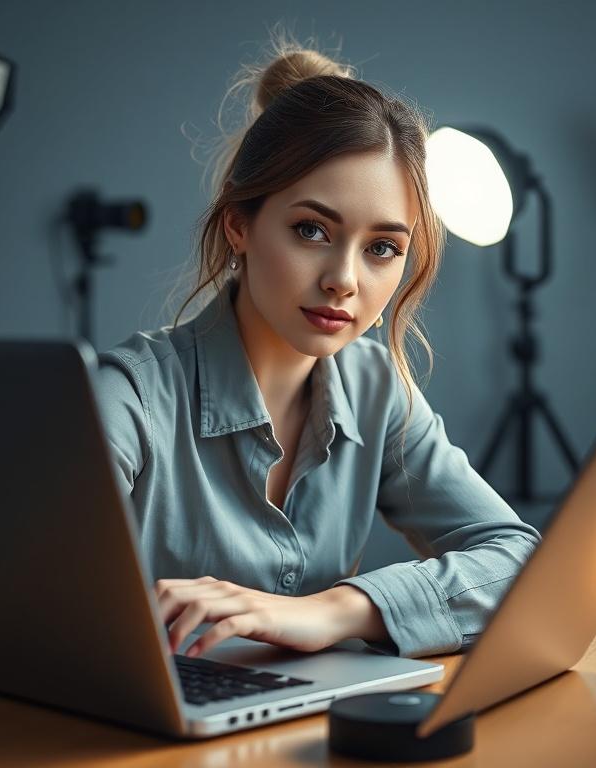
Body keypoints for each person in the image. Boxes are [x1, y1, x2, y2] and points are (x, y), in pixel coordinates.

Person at [93, 31, 540, 662]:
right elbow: (34, 618)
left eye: (383, 247)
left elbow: (517, 559)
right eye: (311, 230)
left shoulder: (375, 388)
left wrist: (334, 611)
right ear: (238, 226)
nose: (345, 280)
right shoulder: (125, 402)